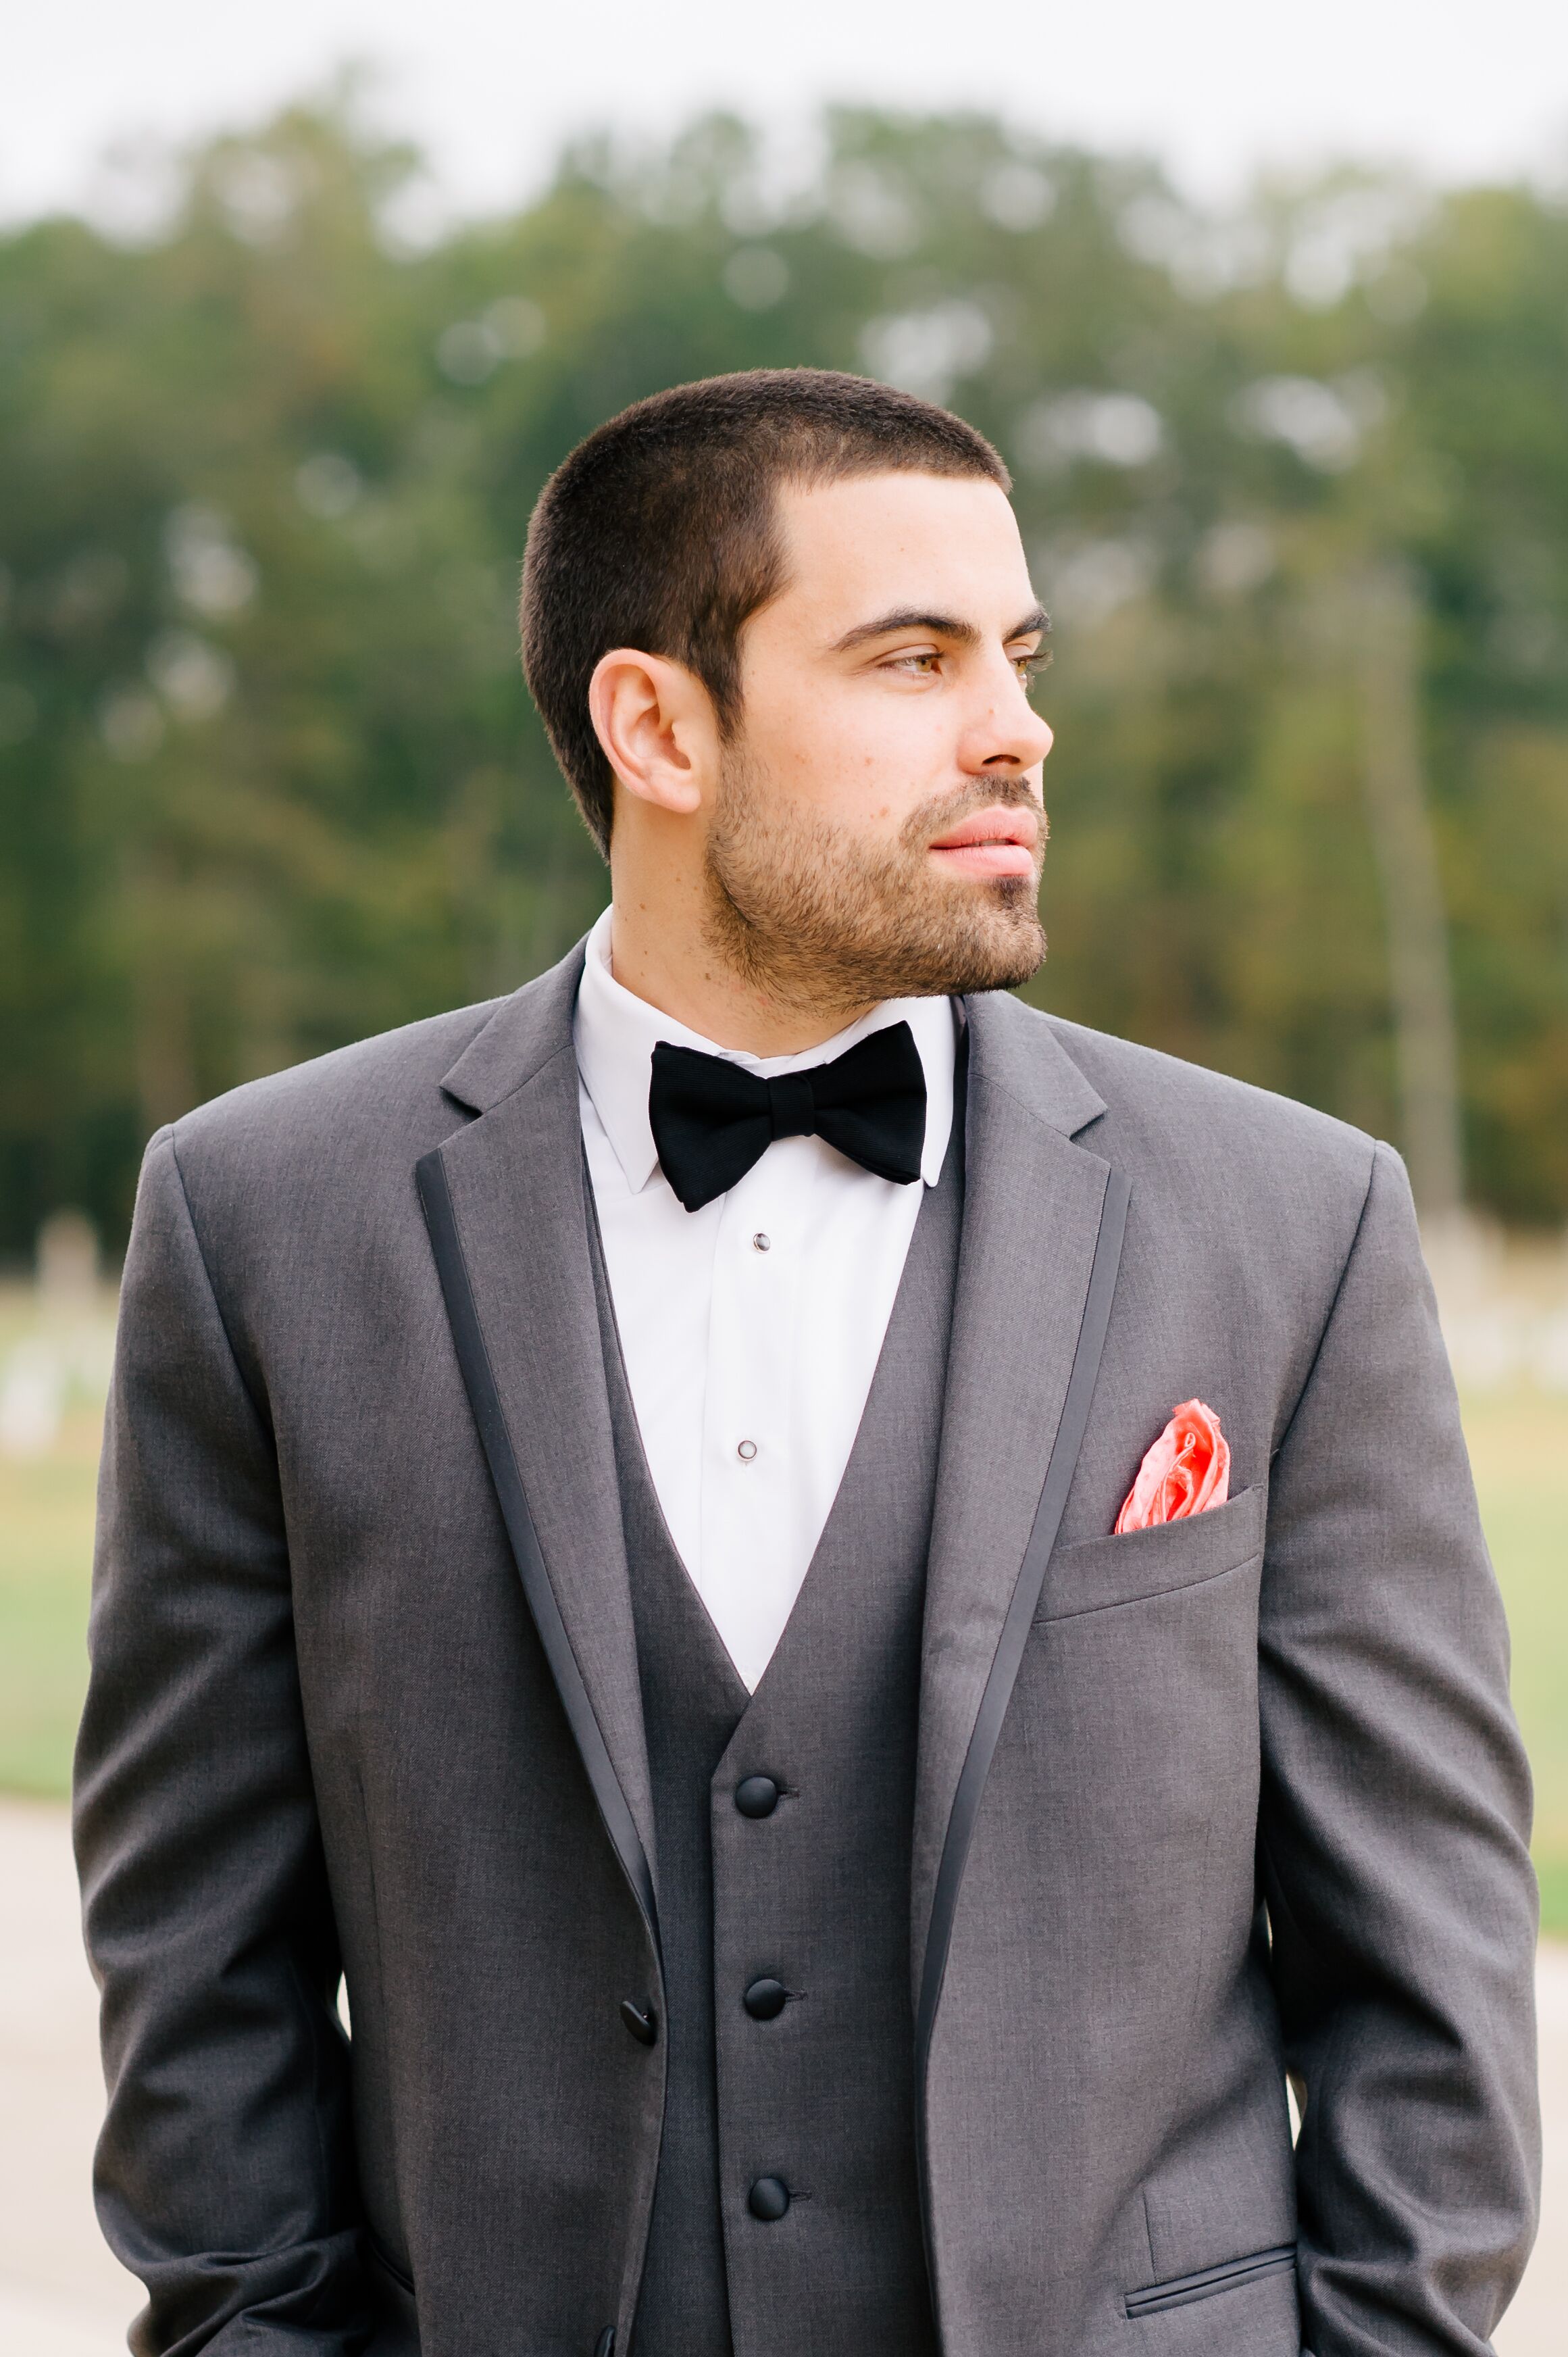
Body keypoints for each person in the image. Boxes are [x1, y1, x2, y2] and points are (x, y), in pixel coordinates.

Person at [76, 368, 1538, 2357]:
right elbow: (199, 1963)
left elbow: (1427, 1973)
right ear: (658, 724)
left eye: (1018, 657)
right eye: (911, 658)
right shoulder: (266, 1221)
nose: (1015, 728)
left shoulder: (1292, 1224)